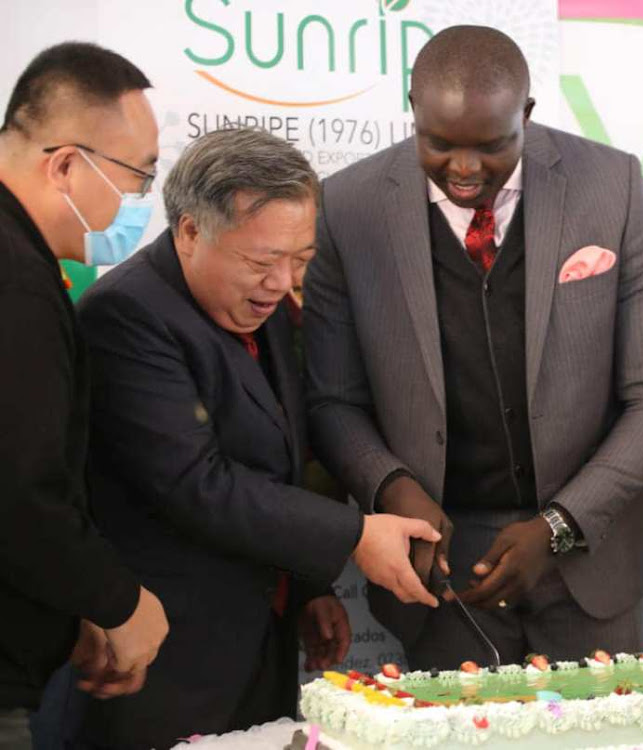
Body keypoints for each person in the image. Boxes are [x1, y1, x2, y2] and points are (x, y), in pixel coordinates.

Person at [303, 25, 643, 670]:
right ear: (411, 109)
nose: (464, 169)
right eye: (439, 144)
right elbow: (332, 400)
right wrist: (393, 487)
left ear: (528, 115)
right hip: (442, 572)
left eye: (491, 146)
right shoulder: (346, 206)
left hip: (594, 562)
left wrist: (560, 526)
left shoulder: (613, 186)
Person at [72, 127, 441, 750]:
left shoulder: (261, 308)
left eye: (299, 259)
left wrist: (306, 588)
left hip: (259, 646)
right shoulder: (126, 315)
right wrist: (353, 536)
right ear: (191, 232)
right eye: (261, 260)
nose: (281, 282)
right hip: (166, 662)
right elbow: (199, 485)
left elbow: (277, 459)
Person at [0, 42, 169, 748]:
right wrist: (120, 603)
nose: (137, 206)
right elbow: (18, 491)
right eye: (137, 179)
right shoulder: (15, 282)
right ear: (66, 163)